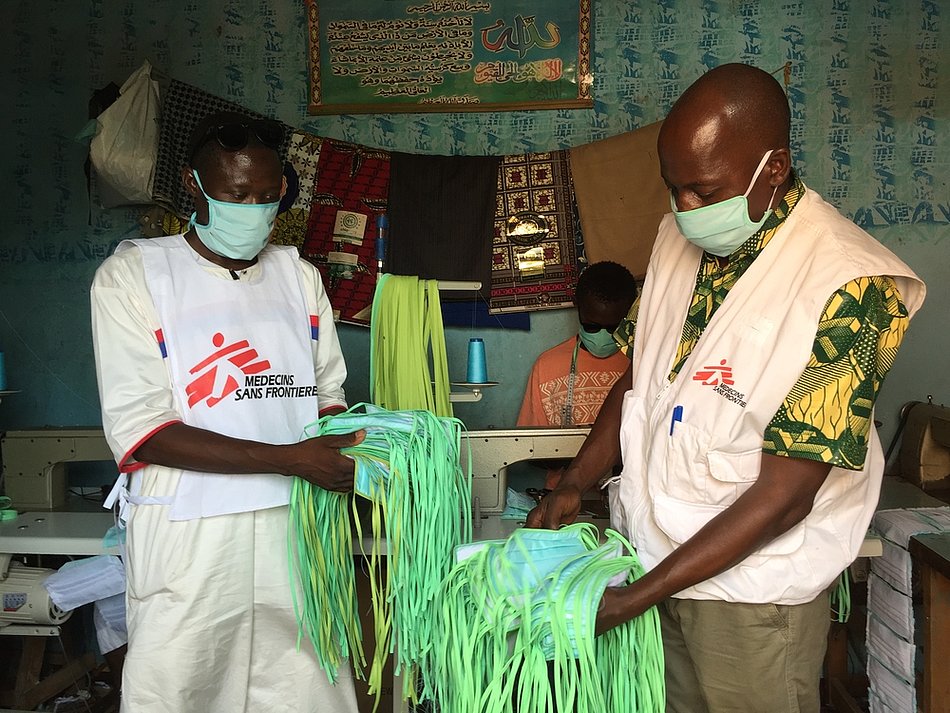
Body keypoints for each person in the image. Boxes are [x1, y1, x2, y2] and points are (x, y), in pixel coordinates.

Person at [527, 63, 926, 713]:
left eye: (703, 191)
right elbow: (642, 374)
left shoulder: (854, 289)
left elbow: (785, 495)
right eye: (673, 189)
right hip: (658, 568)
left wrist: (634, 597)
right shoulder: (673, 238)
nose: (685, 209)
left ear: (773, 168)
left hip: (752, 602)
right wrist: (576, 480)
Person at [91, 111, 363, 712]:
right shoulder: (135, 276)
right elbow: (145, 431)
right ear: (194, 185)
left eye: (268, 197)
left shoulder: (299, 277)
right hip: (191, 536)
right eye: (236, 195)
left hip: (294, 531)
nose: (254, 210)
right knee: (181, 687)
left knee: (308, 687)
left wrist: (368, 448)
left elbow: (327, 396)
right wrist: (292, 459)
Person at [517, 260, 638, 430]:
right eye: (592, 326)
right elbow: (531, 442)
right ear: (578, 308)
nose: (602, 335)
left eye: (613, 328)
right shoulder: (547, 367)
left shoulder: (642, 364)